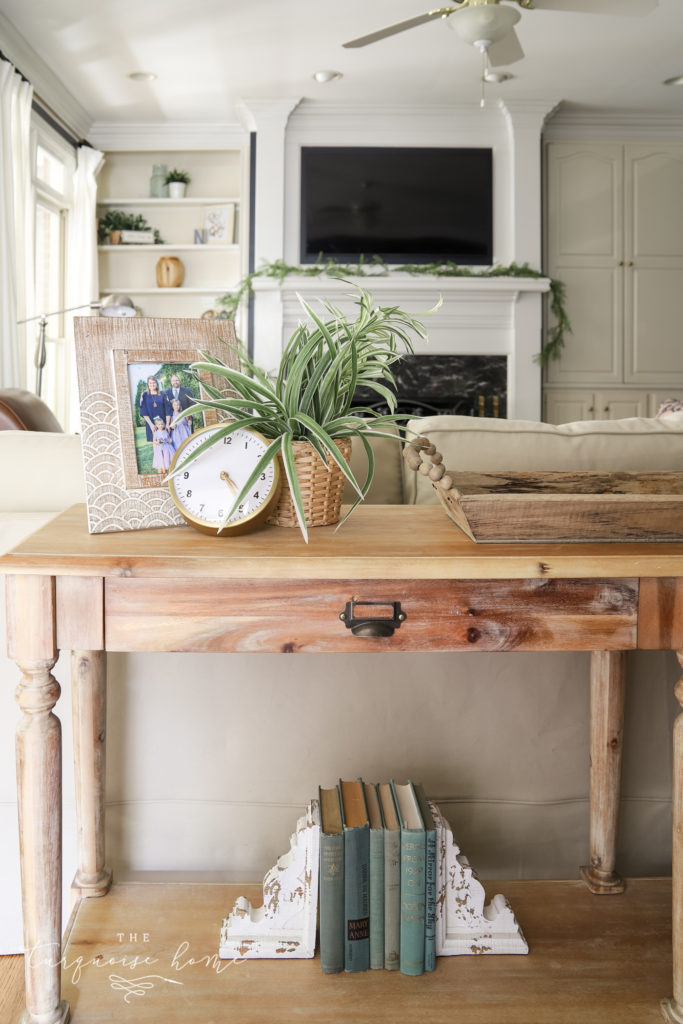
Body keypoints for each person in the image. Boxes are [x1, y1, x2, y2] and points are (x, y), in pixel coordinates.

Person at [139, 376, 170, 442]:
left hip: (162, 424)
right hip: (151, 424)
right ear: (148, 384)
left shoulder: (163, 394)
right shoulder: (144, 395)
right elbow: (144, 411)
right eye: (150, 383)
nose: (152, 385)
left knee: (166, 443)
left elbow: (168, 410)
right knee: (155, 443)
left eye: (154, 383)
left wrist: (167, 423)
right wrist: (151, 425)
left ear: (157, 383)